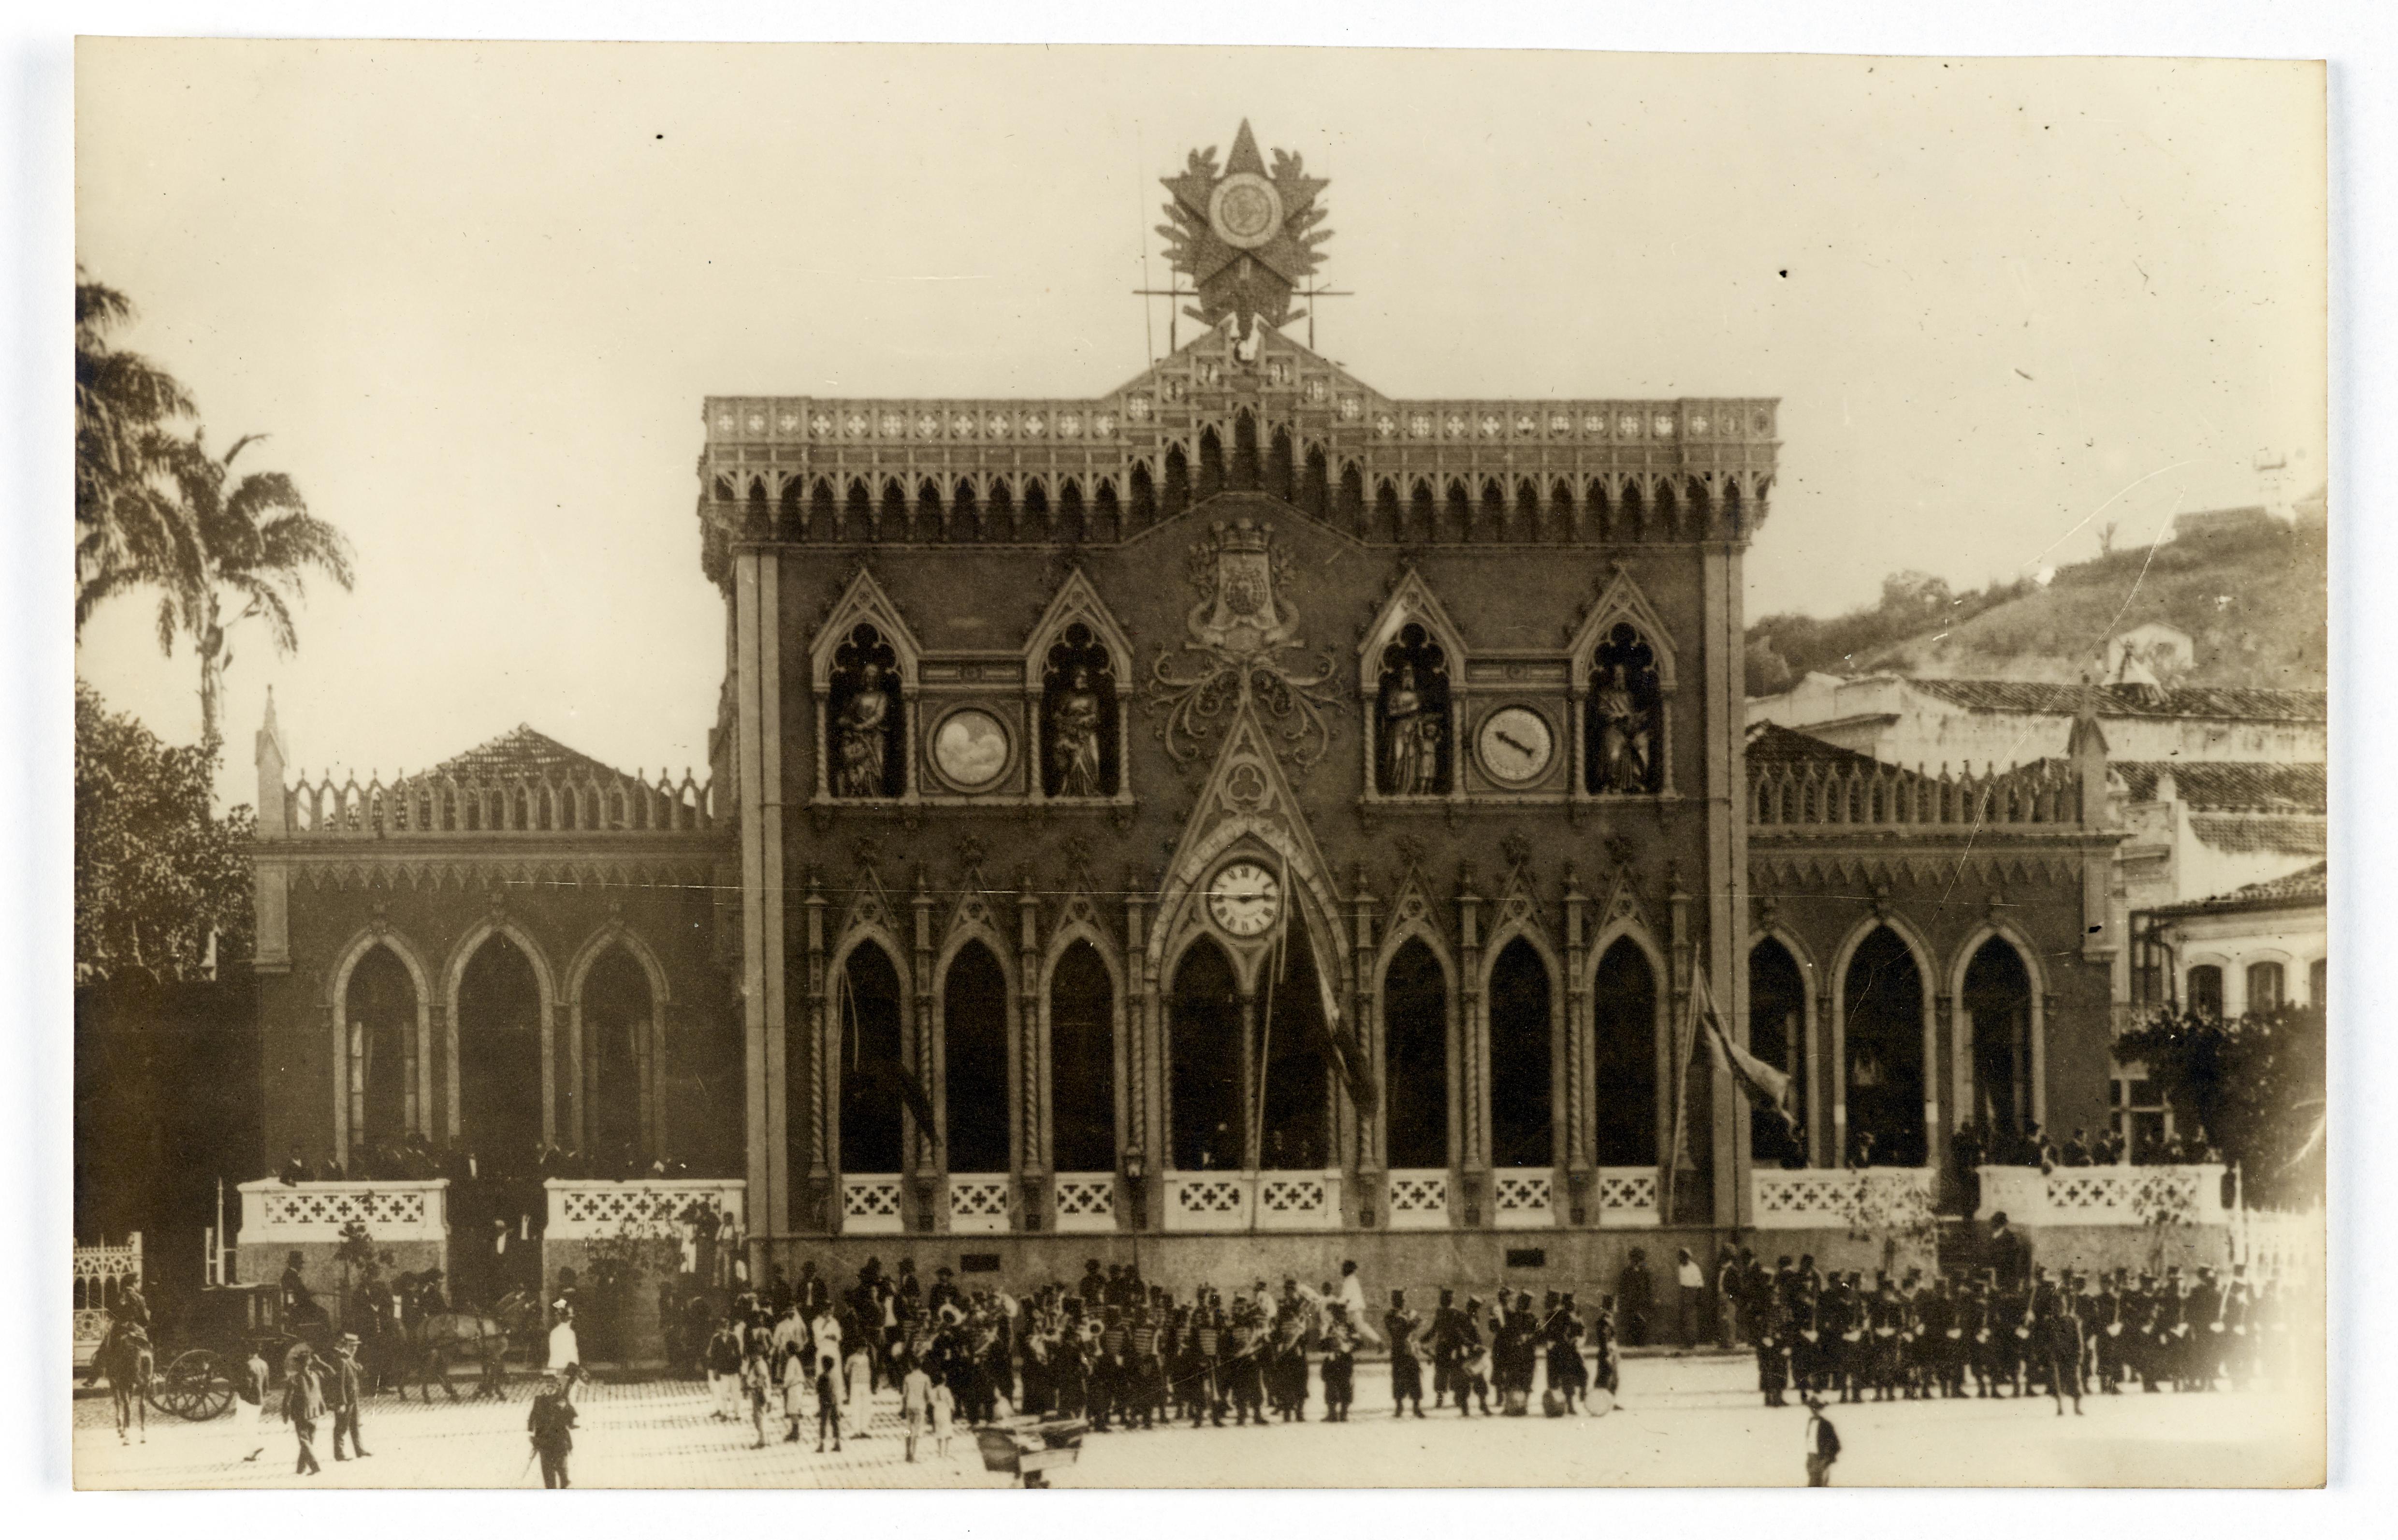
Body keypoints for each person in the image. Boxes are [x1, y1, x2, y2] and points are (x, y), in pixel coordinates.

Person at [527, 1372, 578, 1488]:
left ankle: (565, 1483)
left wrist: (565, 1407)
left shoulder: (562, 1398)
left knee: (562, 1467)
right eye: (547, 1383)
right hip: (543, 1439)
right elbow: (533, 1416)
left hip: (559, 1438)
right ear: (544, 1385)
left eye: (552, 1383)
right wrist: (531, 1432)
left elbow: (571, 1416)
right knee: (547, 1470)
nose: (550, 1385)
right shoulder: (539, 1399)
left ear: (556, 1384)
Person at [285, 1343, 327, 1476]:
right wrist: (323, 1407)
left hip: (301, 1414)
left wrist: (285, 1414)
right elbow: (319, 1393)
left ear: (298, 1364)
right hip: (315, 1413)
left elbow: (287, 1400)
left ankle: (315, 1467)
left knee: (304, 1441)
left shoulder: (294, 1379)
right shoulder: (316, 1375)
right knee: (309, 1441)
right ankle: (301, 1468)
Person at [330, 1333, 371, 1460]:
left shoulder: (349, 1359)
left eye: (356, 1346)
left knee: (355, 1425)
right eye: (351, 1346)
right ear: (345, 1346)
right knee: (342, 1427)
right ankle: (340, 1453)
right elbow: (340, 1385)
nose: (354, 1349)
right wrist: (341, 1402)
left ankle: (359, 1450)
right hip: (346, 1400)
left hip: (353, 1398)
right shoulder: (342, 1361)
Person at [1386, 1290, 1425, 1418]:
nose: (1403, 1302)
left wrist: (1413, 1324)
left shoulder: (1408, 1313)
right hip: (1399, 1351)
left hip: (1410, 1350)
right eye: (1400, 1300)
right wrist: (1410, 1325)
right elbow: (1397, 1332)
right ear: (1394, 1301)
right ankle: (1399, 1406)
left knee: (1415, 1378)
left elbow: (1418, 1323)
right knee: (1398, 1379)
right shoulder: (1390, 1315)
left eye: (1404, 1299)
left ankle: (1416, 1407)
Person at [705, 1319, 743, 1420]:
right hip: (723, 1370)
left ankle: (737, 1413)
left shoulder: (734, 1338)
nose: (723, 1330)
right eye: (721, 1328)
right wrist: (715, 1371)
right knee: (723, 1393)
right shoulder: (716, 1340)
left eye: (725, 1328)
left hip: (734, 1369)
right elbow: (713, 1356)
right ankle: (724, 1413)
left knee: (736, 1393)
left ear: (728, 1328)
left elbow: (738, 1354)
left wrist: (740, 1368)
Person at [741, 1336, 775, 1448]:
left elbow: (762, 1377)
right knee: (761, 1416)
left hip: (759, 1393)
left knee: (759, 1417)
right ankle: (766, 1438)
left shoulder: (759, 1364)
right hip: (762, 1392)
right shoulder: (761, 1363)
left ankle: (762, 1441)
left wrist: (753, 1386)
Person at [1617, 1249, 1655, 1347]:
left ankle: (1641, 1342)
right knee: (1631, 1322)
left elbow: (1648, 1288)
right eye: (1634, 1259)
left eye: (1638, 1259)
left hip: (1642, 1301)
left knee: (1642, 1322)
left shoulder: (1645, 1273)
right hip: (1630, 1302)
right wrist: (1624, 1299)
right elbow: (1622, 1288)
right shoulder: (1626, 1272)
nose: (1636, 1262)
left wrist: (1649, 1300)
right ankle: (1631, 1342)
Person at [1802, 1394, 1841, 1487]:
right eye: (1812, 1408)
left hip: (1820, 1460)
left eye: (1816, 1408)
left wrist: (1826, 1459)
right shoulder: (1811, 1422)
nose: (1814, 1411)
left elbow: (1836, 1444)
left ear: (1820, 1409)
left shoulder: (1826, 1425)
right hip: (1811, 1460)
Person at [901, 1357, 933, 1462]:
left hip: (910, 1405)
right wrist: (928, 1403)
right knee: (916, 1431)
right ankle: (913, 1455)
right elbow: (929, 1395)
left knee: (908, 1429)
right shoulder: (925, 1378)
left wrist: (903, 1407)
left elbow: (904, 1395)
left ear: (911, 1365)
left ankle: (907, 1453)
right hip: (920, 1406)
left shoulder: (908, 1378)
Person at [1675, 1248, 1706, 1349]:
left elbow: (1700, 1284)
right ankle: (1685, 1341)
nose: (1681, 1259)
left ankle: (1692, 1342)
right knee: (1684, 1317)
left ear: (1687, 1257)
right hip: (1684, 1292)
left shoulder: (1694, 1268)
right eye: (1680, 1257)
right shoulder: (1681, 1267)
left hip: (1693, 1293)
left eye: (1682, 1257)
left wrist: (1698, 1298)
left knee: (1691, 1319)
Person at [548, 1299, 581, 1382]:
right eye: (571, 1318)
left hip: (554, 1368)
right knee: (567, 1392)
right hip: (566, 1370)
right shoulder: (570, 1333)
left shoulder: (554, 1332)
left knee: (558, 1388)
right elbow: (573, 1355)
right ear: (569, 1320)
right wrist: (576, 1367)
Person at [931, 1374, 957, 1460]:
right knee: (947, 1430)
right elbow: (951, 1402)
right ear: (944, 1381)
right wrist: (952, 1409)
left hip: (937, 1411)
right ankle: (946, 1451)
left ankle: (939, 1451)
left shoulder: (934, 1390)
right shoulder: (947, 1390)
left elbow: (932, 1401)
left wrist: (936, 1405)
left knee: (939, 1430)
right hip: (945, 1411)